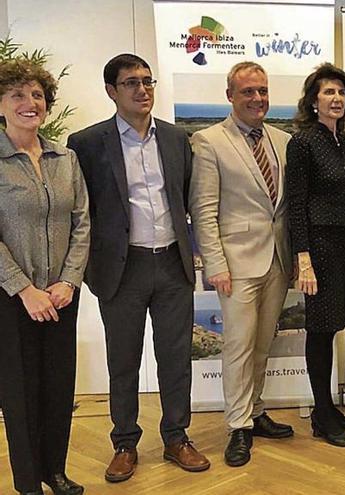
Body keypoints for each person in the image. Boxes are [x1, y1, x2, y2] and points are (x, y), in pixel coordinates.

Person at [67, 53, 210, 483]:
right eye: (131, 83)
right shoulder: (87, 143)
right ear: (112, 91)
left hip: (171, 264)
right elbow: (80, 212)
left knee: (175, 359)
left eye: (147, 81)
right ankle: (125, 443)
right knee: (123, 361)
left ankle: (176, 437)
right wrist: (90, 270)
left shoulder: (174, 138)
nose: (142, 89)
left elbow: (188, 199)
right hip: (121, 270)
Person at [190, 61, 294, 467]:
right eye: (248, 92)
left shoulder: (282, 141)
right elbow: (204, 208)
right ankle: (237, 425)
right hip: (234, 265)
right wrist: (214, 263)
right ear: (230, 95)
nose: (257, 99)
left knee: (263, 345)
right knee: (238, 346)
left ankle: (255, 409)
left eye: (263, 91)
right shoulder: (208, 140)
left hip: (277, 260)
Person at [0, 58, 89, 495]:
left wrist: (68, 282)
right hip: (11, 298)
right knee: (20, 393)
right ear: (1, 103)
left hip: (60, 296)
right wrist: (24, 289)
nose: (29, 103)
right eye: (17, 94)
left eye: (37, 95)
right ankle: (27, 483)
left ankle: (55, 471)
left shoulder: (64, 158)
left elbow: (83, 222)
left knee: (58, 388)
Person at [286, 63, 345, 447]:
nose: (336, 99)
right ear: (313, 101)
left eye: (341, 93)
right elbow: (296, 205)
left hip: (344, 246)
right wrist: (304, 259)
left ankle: (329, 409)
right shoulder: (302, 142)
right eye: (328, 92)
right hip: (316, 248)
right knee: (318, 331)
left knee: (333, 328)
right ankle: (320, 413)